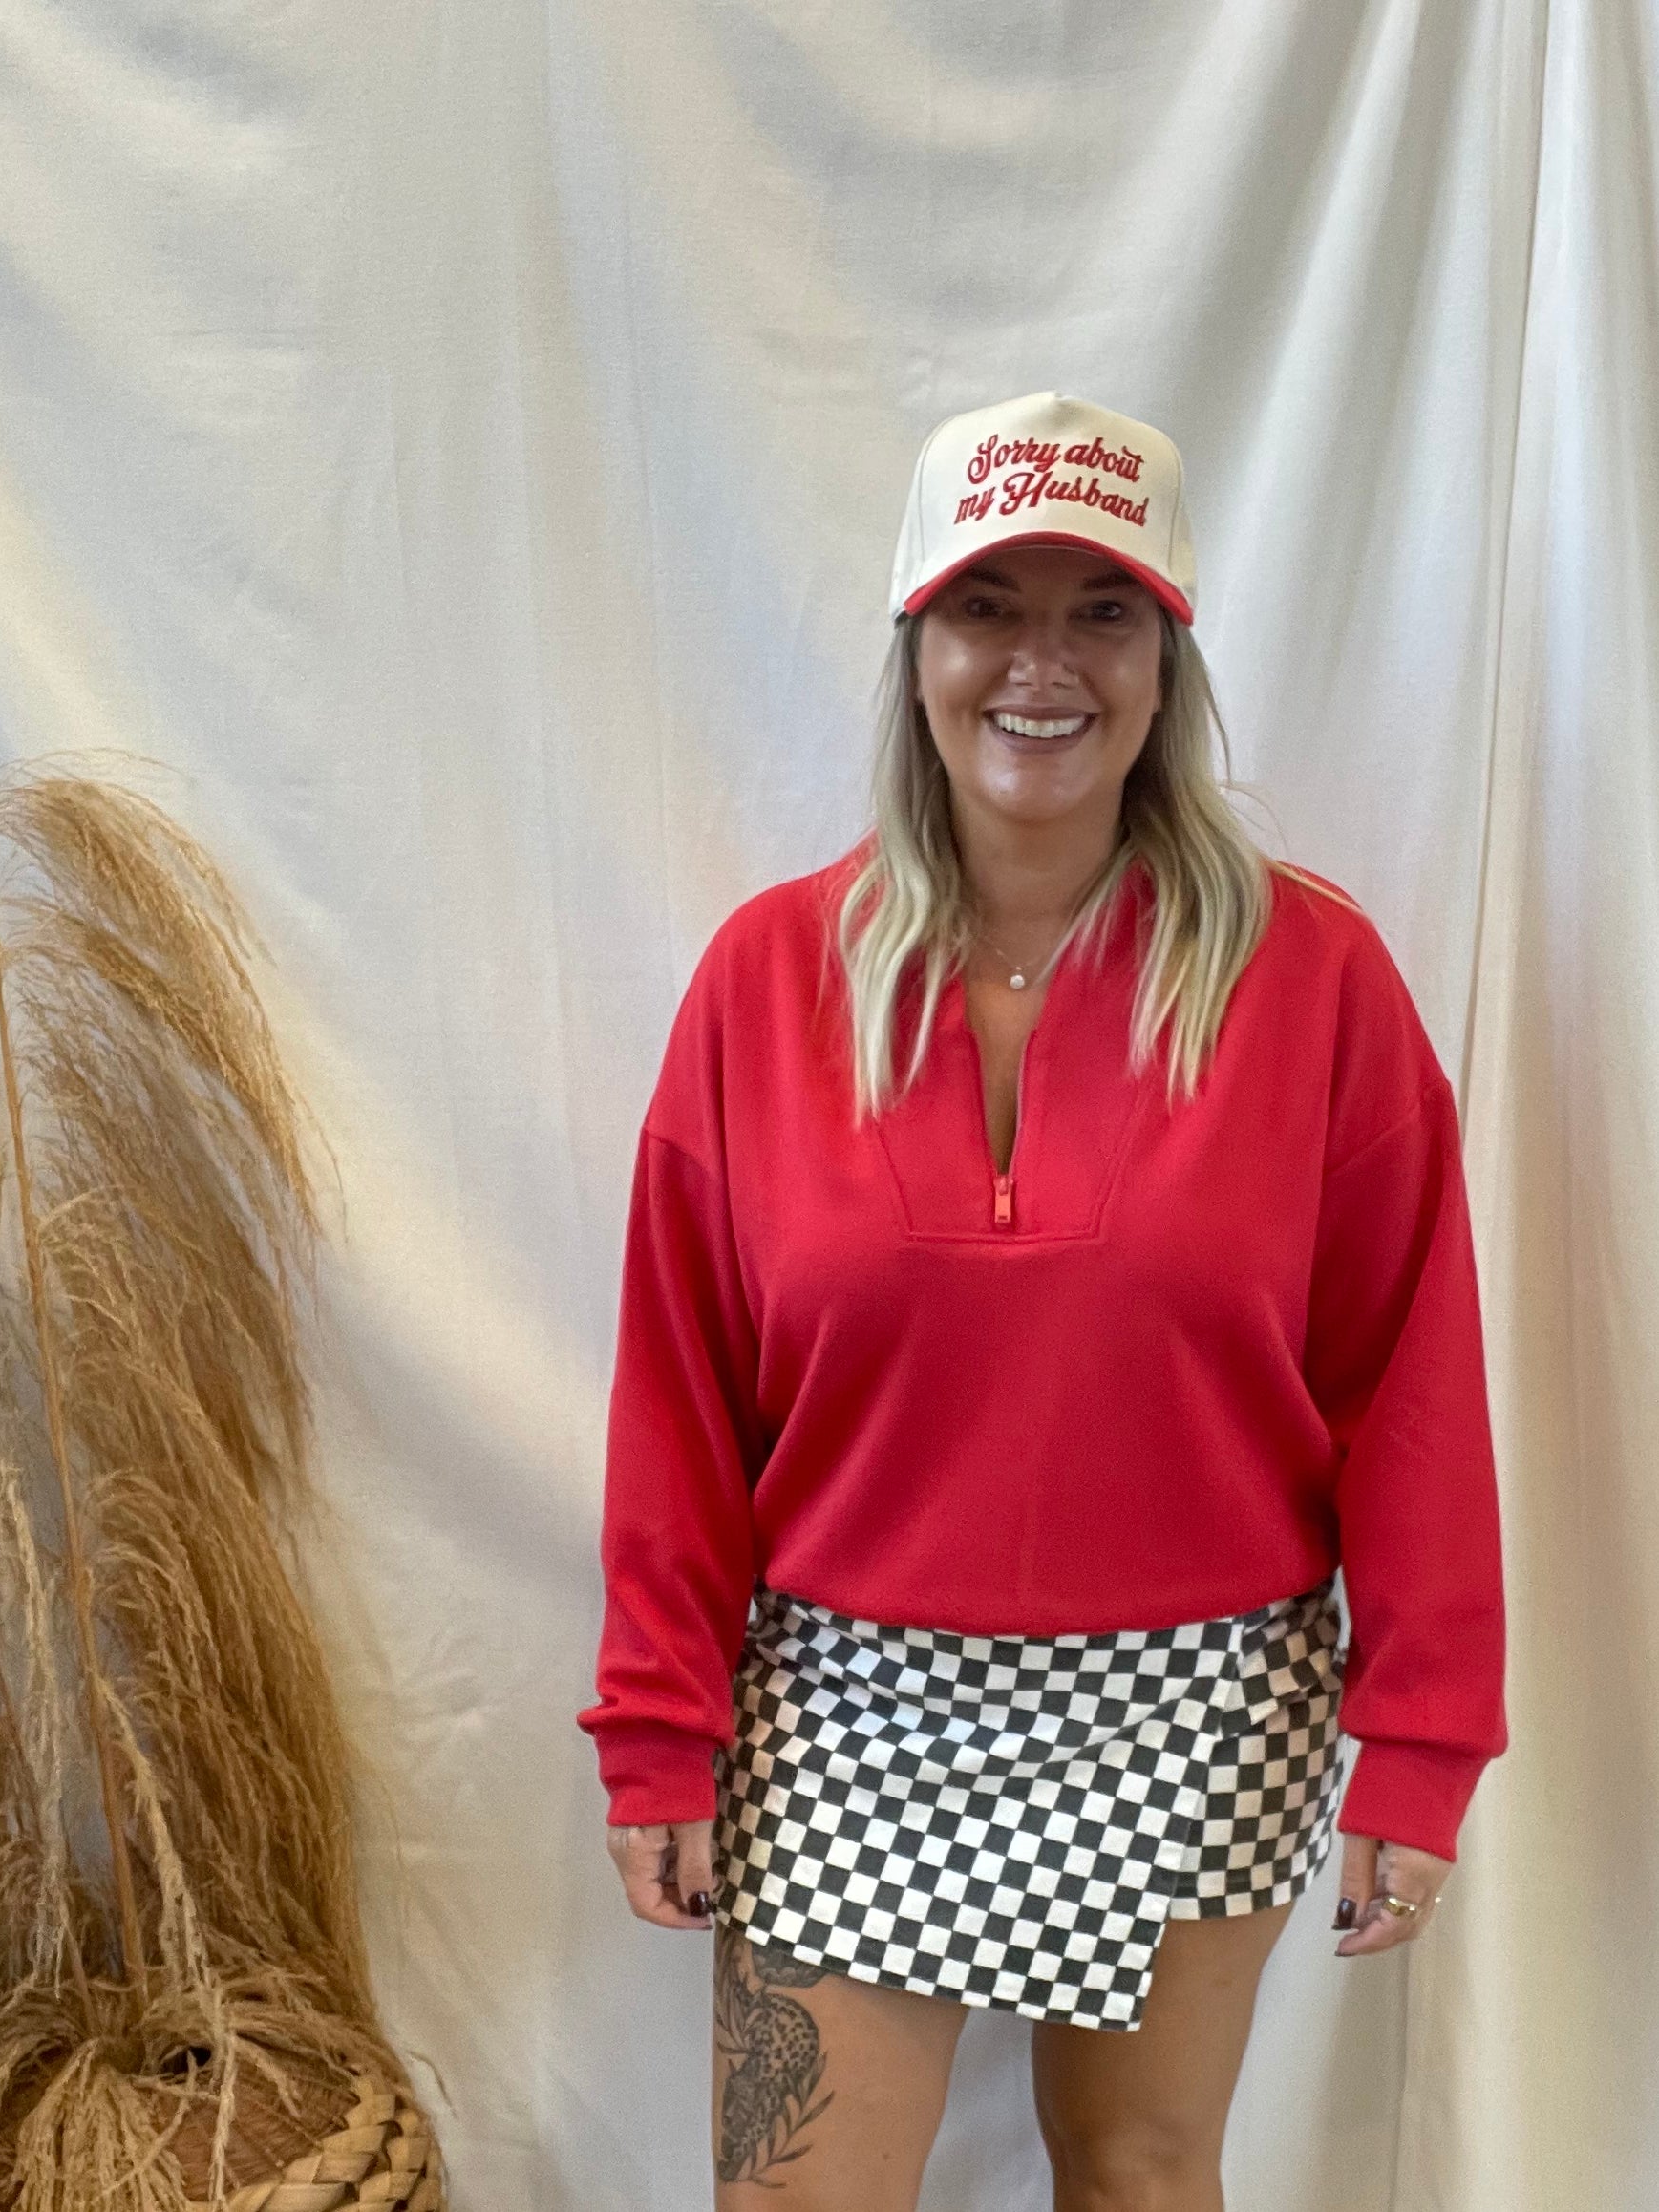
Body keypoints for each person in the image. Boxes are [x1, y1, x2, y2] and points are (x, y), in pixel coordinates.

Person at [577, 389, 1509, 2211]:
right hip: (847, 1702)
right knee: (791, 2195)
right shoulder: (768, 978)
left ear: (1167, 663)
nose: (1041, 663)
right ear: (914, 648)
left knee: (1140, 2177)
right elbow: (678, 1387)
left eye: (1102, 612)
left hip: (1199, 1691)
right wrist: (655, 1720)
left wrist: (1419, 1737)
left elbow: (1409, 1379)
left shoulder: (1311, 978)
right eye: (986, 607)